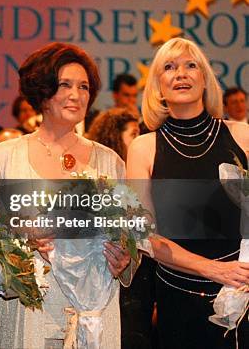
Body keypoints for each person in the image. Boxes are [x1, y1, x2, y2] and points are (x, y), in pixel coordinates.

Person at [0, 42, 131, 349]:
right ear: (42, 90)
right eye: (65, 85)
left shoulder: (110, 161)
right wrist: (20, 239)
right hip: (29, 309)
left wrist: (126, 259)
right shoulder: (7, 157)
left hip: (94, 312)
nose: (77, 95)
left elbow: (129, 231)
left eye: (84, 86)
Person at [127, 37, 249, 348]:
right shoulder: (143, 148)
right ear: (158, 86)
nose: (181, 73)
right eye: (169, 67)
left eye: (190, 65)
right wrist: (214, 269)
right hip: (178, 303)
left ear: (205, 79)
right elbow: (143, 235)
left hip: (243, 292)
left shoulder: (243, 135)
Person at [86, 108, 156, 348]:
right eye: (133, 133)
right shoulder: (104, 180)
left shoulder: (143, 176)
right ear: (114, 136)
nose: (138, 140)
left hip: (141, 275)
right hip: (113, 279)